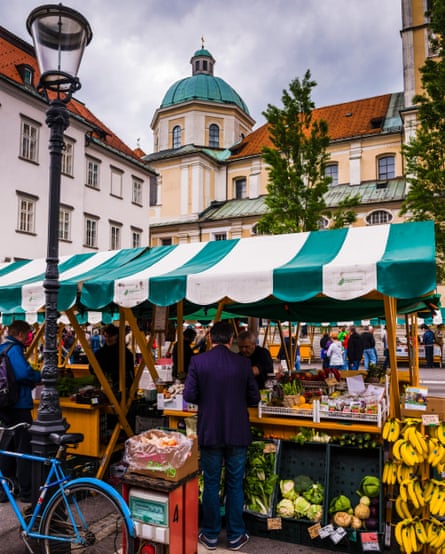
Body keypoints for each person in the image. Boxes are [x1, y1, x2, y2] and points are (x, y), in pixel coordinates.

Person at [183, 321, 259, 551]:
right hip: (237, 432)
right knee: (235, 484)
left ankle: (211, 535)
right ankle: (236, 536)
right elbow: (254, 398)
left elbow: (189, 395)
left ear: (211, 339)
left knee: (212, 484)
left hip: (210, 431)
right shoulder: (243, 363)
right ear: (230, 340)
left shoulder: (198, 361)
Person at [0, 320, 41, 503]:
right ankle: (26, 491)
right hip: (19, 405)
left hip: (5, 404)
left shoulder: (2, 348)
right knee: (24, 448)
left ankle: (6, 486)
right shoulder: (14, 349)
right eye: (27, 335)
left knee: (8, 446)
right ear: (21, 334)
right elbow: (23, 373)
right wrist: (38, 376)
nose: (28, 338)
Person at [90, 324, 134, 393]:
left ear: (116, 336)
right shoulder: (100, 353)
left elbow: (130, 369)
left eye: (110, 336)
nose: (107, 339)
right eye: (106, 336)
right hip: (103, 386)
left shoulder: (124, 352)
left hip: (121, 387)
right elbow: (92, 368)